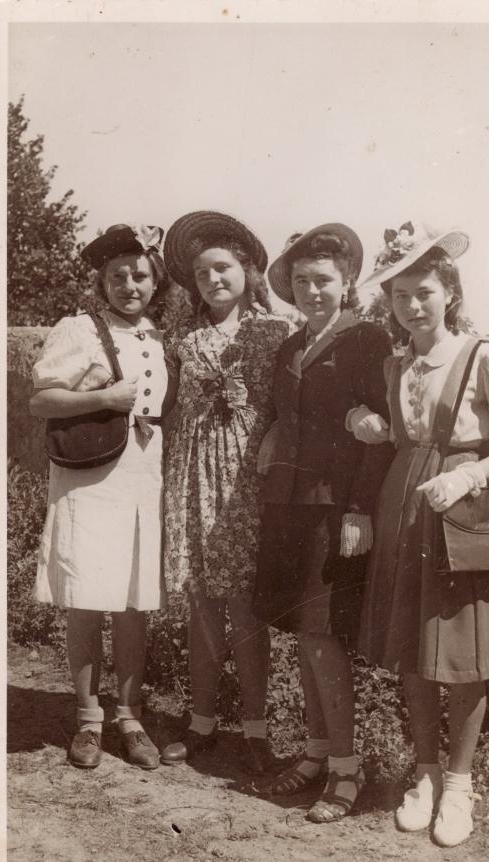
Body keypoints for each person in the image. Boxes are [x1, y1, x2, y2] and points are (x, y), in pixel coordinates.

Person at [349, 221, 489, 847]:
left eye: (423, 292)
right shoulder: (393, 362)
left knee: (461, 653)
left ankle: (460, 786)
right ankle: (423, 773)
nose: (411, 306)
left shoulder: (483, 356)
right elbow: (395, 433)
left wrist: (471, 475)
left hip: (461, 509)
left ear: (449, 291)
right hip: (403, 503)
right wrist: (367, 417)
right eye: (400, 296)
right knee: (412, 648)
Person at [252, 224, 394, 822]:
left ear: (347, 283)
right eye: (302, 282)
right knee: (303, 635)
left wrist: (359, 507)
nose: (313, 291)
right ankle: (314, 755)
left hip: (336, 508)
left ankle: (345, 769)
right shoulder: (289, 348)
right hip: (288, 505)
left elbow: (382, 435)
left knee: (322, 635)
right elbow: (284, 420)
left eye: (324, 281)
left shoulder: (367, 340)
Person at [30, 224, 169, 770]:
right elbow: (42, 400)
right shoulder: (79, 328)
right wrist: (106, 396)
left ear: (155, 281)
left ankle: (129, 716)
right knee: (88, 596)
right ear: (102, 281)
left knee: (135, 600)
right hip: (90, 476)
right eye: (118, 276)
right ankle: (89, 719)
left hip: (142, 475)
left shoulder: (160, 337)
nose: (130, 285)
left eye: (140, 275)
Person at [159, 211, 291, 773]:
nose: (213, 279)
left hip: (247, 481)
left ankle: (257, 730)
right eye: (202, 273)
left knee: (245, 606)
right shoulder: (184, 341)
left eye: (223, 268)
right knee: (203, 604)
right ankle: (203, 721)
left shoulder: (275, 331)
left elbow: (293, 406)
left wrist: (276, 433)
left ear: (247, 270)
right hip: (193, 479)